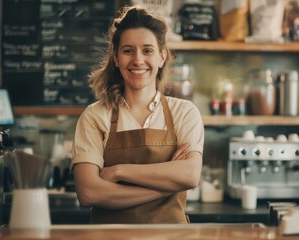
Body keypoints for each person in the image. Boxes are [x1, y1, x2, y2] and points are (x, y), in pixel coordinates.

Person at [70, 5, 204, 224]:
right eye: (128, 50)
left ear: (162, 57)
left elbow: (189, 175)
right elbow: (89, 193)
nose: (138, 60)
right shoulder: (95, 116)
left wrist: (120, 172)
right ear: (115, 57)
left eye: (148, 50)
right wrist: (164, 189)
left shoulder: (184, 112)